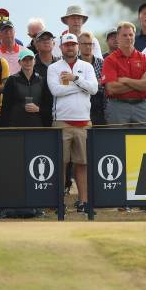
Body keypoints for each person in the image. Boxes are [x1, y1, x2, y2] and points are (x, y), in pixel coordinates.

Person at [48, 33, 98, 213]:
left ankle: (84, 201)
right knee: (61, 164)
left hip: (84, 122)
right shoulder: (54, 68)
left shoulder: (86, 66)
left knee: (83, 163)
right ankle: (58, 202)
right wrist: (80, 88)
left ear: (77, 46)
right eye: (67, 45)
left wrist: (75, 79)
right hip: (61, 122)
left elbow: (93, 89)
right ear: (61, 47)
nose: (70, 47)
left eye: (73, 44)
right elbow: (55, 91)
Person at [101, 22, 146, 126]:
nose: (128, 38)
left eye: (131, 35)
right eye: (124, 35)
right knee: (117, 141)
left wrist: (126, 80)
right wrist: (141, 82)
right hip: (118, 106)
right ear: (118, 37)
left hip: (142, 106)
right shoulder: (110, 60)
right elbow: (112, 88)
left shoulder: (145, 58)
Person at [0, 49, 44, 127]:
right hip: (16, 125)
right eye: (24, 60)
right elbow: (5, 106)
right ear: (19, 62)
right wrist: (5, 126)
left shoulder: (41, 80)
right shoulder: (12, 80)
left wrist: (39, 109)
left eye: (30, 59)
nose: (28, 62)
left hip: (37, 124)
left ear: (35, 61)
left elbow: (47, 103)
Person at [79, 31, 106, 125]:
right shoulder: (74, 64)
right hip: (80, 106)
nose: (88, 46)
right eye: (85, 44)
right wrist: (95, 84)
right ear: (78, 45)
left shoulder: (102, 63)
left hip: (99, 106)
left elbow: (105, 85)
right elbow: (75, 86)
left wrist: (84, 83)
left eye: (90, 44)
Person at [33, 30, 57, 127]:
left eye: (49, 39)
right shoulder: (30, 63)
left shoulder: (61, 63)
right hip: (36, 114)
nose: (46, 41)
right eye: (42, 39)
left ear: (54, 43)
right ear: (36, 45)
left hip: (58, 114)